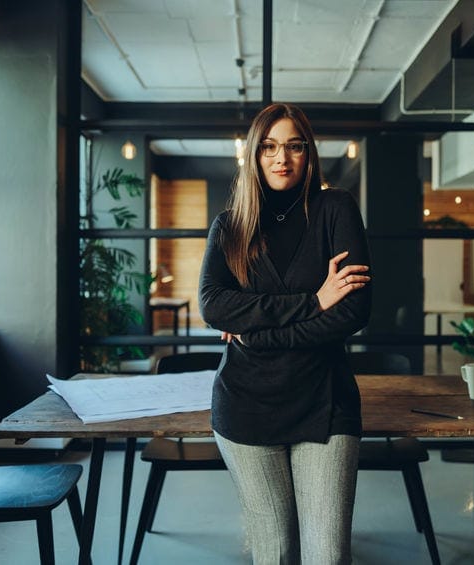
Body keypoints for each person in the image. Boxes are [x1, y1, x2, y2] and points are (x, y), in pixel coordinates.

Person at [198, 103, 372, 564]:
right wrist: (313, 301)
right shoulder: (231, 226)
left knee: (327, 555)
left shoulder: (336, 208)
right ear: (254, 156)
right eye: (270, 147)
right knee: (273, 553)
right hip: (245, 406)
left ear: (308, 153)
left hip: (325, 402)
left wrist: (253, 330)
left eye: (294, 146)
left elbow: (355, 311)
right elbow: (213, 305)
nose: (282, 158)